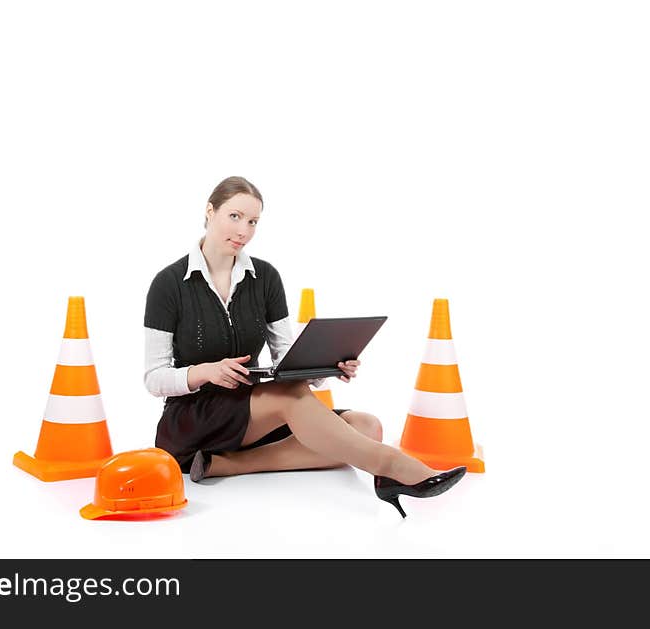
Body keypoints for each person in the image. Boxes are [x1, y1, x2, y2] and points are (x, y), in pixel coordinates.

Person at [143, 176, 465, 517]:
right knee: (292, 396)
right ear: (210, 211)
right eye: (235, 217)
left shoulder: (265, 278)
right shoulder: (168, 284)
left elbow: (286, 360)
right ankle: (390, 465)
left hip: (251, 412)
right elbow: (154, 378)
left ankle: (228, 465)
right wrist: (206, 372)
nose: (244, 231)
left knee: (367, 427)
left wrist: (325, 365)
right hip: (193, 417)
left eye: (253, 221)